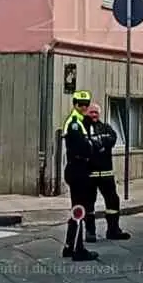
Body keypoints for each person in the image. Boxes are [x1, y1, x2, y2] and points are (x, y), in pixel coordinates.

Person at [83, 103, 130, 243]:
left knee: (113, 201)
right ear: (86, 113)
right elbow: (84, 145)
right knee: (88, 204)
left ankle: (113, 229)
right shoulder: (82, 128)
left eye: (96, 112)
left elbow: (112, 138)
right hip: (89, 174)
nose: (94, 115)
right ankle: (90, 231)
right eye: (91, 112)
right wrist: (97, 142)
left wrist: (98, 141)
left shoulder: (106, 127)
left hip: (106, 174)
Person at [61, 90, 98, 261]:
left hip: (76, 168)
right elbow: (83, 147)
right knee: (80, 209)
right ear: (75, 105)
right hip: (78, 168)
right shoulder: (75, 123)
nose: (84, 107)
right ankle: (78, 248)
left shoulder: (80, 121)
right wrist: (93, 144)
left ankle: (69, 245)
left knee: (77, 207)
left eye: (86, 104)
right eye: (80, 104)